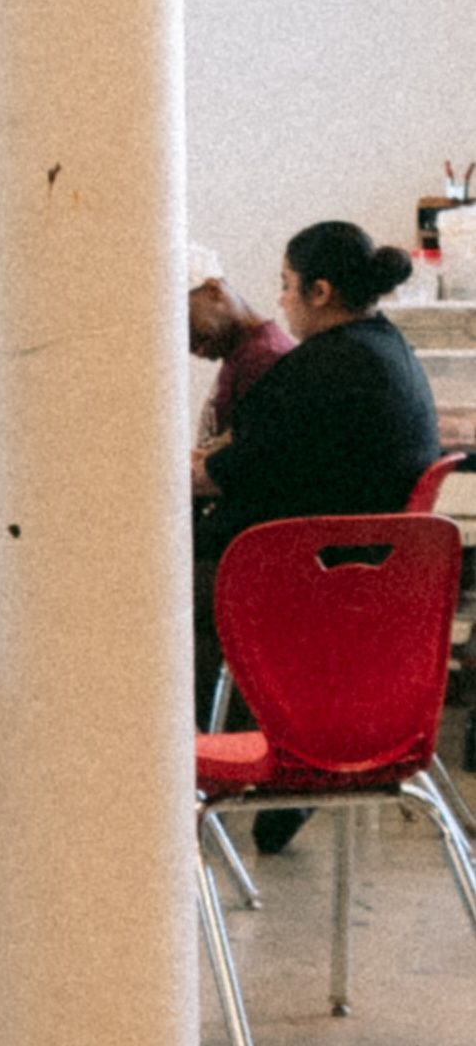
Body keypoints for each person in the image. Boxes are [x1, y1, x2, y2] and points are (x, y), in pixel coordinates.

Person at [192, 220, 439, 852]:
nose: (280, 300)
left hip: (309, 587)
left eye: (286, 286)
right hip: (376, 586)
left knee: (159, 599)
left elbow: (223, 474)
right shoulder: (390, 352)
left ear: (320, 291)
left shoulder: (319, 370)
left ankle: (183, 776)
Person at [186, 242, 295, 473]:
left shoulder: (266, 358)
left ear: (213, 291)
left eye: (184, 321)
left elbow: (255, 469)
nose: (186, 343)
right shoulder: (244, 355)